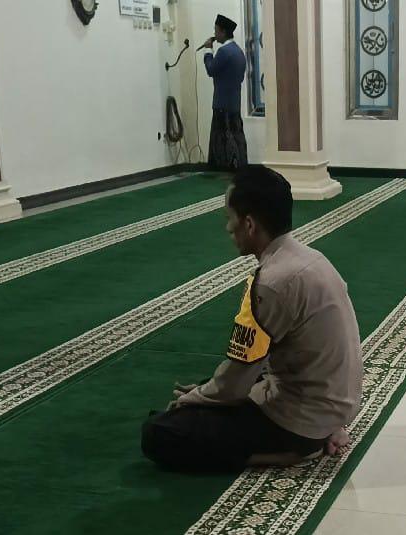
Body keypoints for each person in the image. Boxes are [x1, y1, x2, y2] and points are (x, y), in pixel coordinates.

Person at [141, 166, 361, 472]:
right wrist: (205, 392)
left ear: (249, 224)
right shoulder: (312, 259)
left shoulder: (272, 283)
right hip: (334, 404)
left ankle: (293, 452)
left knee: (160, 431)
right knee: (209, 388)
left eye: (228, 218)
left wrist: (195, 399)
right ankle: (319, 432)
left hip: (301, 422)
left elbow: (234, 384)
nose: (227, 228)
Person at [201, 15, 248, 170]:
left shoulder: (224, 51)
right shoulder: (239, 52)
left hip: (222, 102)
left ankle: (222, 169)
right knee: (236, 137)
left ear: (222, 32)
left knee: (221, 140)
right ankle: (238, 167)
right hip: (234, 102)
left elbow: (211, 69)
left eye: (216, 30)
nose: (214, 34)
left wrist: (208, 50)